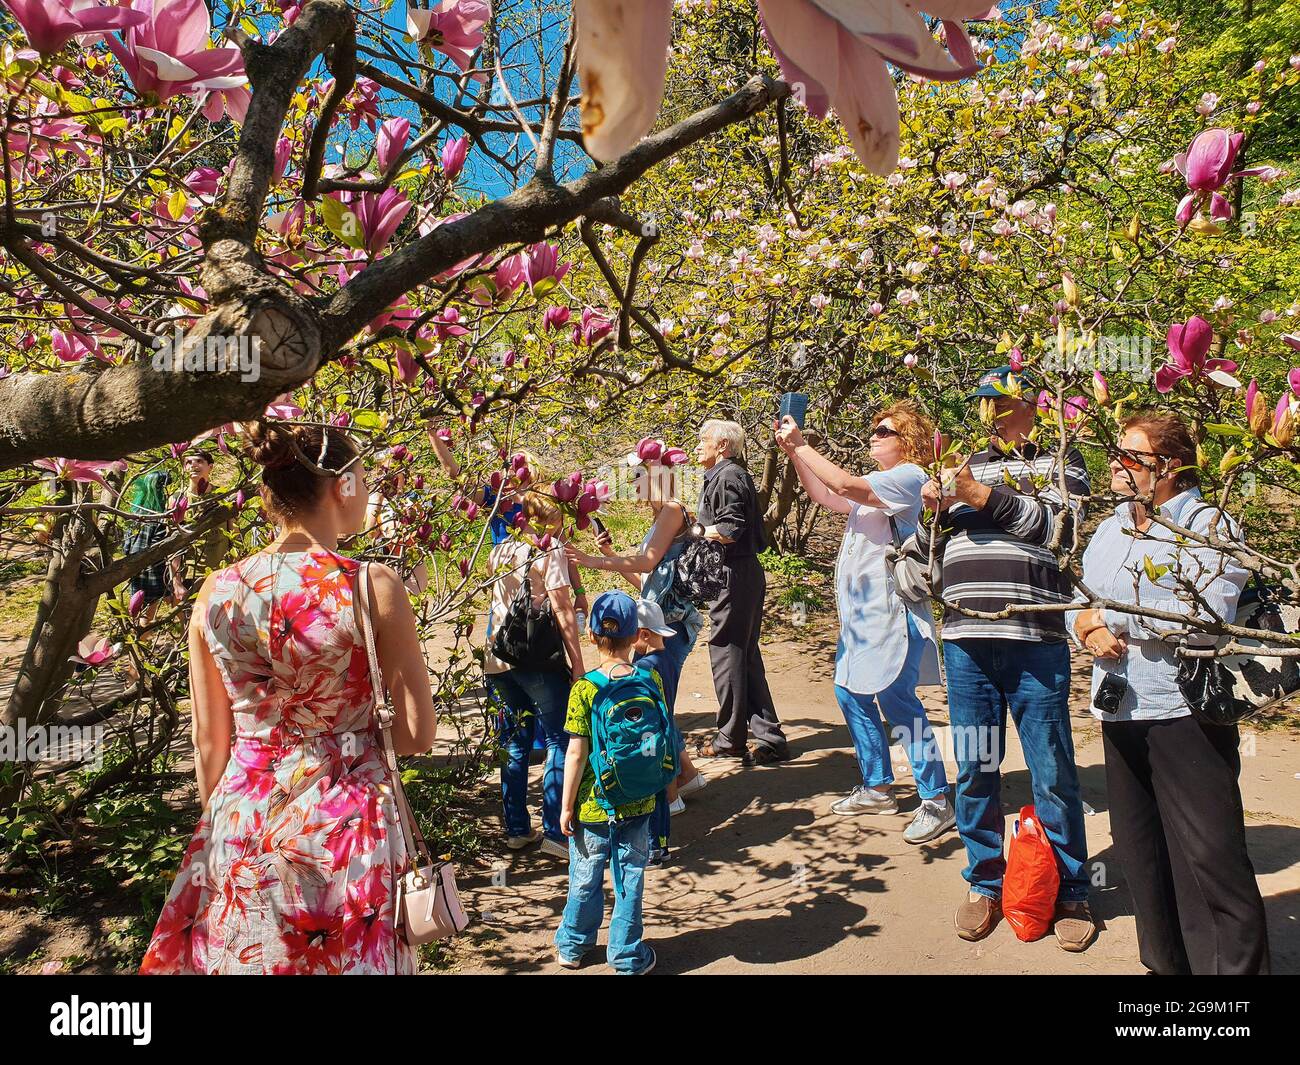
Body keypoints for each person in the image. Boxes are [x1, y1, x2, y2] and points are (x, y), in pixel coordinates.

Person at [140, 422, 437, 974]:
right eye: (363, 478)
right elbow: (417, 734)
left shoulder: (216, 589)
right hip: (349, 824)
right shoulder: (371, 585)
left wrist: (222, 826)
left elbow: (210, 741)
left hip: (242, 817)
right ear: (340, 485)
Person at [1069, 411, 1270, 974]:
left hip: (1184, 709)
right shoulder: (1110, 528)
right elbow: (1078, 597)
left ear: (1170, 467)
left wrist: (1118, 621)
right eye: (1117, 452)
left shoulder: (1211, 526)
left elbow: (1207, 620)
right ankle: (1167, 969)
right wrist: (1085, 626)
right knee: (1141, 851)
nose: (1116, 462)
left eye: (1131, 456)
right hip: (1121, 704)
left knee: (1210, 858)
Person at [917, 364, 1095, 951]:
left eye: (1000, 399)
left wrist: (978, 495)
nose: (988, 410)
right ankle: (986, 881)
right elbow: (928, 548)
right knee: (974, 767)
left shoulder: (1060, 459)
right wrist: (931, 512)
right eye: (982, 400)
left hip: (1035, 641)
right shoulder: (967, 462)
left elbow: (1056, 531)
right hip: (966, 640)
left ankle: (1072, 889)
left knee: (1052, 771)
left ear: (1032, 404)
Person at [776, 402, 954, 844]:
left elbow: (843, 483)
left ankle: (937, 799)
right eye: (873, 428)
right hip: (862, 620)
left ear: (907, 441)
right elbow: (826, 494)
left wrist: (801, 444)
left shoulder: (910, 476)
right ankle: (877, 785)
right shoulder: (880, 483)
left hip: (892, 615)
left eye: (884, 430)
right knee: (848, 691)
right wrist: (796, 454)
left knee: (898, 703)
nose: (873, 435)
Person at [564, 440, 707, 827]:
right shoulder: (663, 514)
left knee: (656, 707)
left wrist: (594, 560)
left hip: (669, 627)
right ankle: (689, 775)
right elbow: (647, 579)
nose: (635, 484)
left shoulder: (673, 510)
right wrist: (609, 552)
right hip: (661, 619)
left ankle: (670, 798)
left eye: (640, 476)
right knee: (658, 700)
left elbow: (645, 560)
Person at [555, 591, 663, 974]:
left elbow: (575, 754)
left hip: (592, 804)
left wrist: (566, 806)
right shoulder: (651, 681)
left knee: (585, 875)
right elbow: (656, 739)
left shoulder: (585, 689)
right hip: (638, 799)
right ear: (638, 636)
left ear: (590, 635)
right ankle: (627, 956)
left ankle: (572, 945)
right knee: (630, 876)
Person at [484, 491, 585, 858]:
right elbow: (562, 610)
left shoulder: (501, 550)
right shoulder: (548, 551)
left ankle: (516, 828)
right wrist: (577, 662)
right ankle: (557, 832)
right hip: (536, 659)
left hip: (498, 657)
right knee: (560, 737)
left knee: (514, 741)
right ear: (549, 520)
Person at [694, 419, 789, 764]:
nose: (697, 446)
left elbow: (731, 529)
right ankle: (769, 736)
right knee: (743, 656)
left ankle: (730, 739)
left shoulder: (728, 475)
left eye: (703, 440)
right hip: (740, 574)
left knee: (726, 653)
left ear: (722, 445)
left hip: (734, 573)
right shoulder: (726, 475)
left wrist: (692, 531)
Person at [168, 448, 232, 602]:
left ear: (210, 467)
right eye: (188, 462)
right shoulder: (177, 499)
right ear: (183, 467)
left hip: (222, 572)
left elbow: (234, 533)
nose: (193, 465)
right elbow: (172, 544)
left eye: (199, 461)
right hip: (190, 575)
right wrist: (176, 582)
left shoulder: (223, 496)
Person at [122, 468, 172, 625]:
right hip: (154, 571)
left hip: (135, 569)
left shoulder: (135, 514)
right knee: (147, 614)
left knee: (139, 610)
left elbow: (126, 546)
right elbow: (160, 547)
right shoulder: (160, 518)